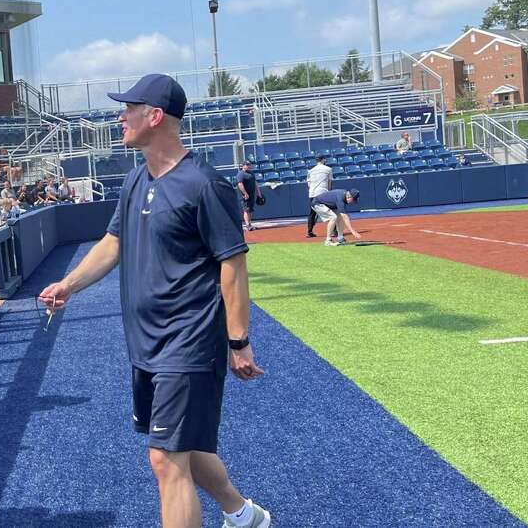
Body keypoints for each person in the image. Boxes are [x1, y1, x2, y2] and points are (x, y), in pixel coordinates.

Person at [38, 74, 270, 528]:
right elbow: (112, 243)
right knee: (187, 449)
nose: (119, 116)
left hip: (189, 343)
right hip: (146, 345)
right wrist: (69, 284)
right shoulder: (135, 179)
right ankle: (243, 515)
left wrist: (238, 340)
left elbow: (233, 265)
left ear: (155, 116)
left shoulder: (204, 184)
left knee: (165, 459)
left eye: (128, 108)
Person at [305, 156, 333, 238]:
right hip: (323, 193)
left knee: (312, 213)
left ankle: (309, 232)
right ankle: (334, 231)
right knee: (331, 211)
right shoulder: (328, 169)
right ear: (323, 160)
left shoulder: (310, 171)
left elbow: (309, 184)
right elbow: (329, 183)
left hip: (312, 193)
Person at [234, 162, 262, 231]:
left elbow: (255, 183)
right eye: (246, 165)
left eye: (249, 165)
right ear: (243, 166)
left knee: (250, 210)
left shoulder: (251, 173)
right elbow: (240, 184)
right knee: (246, 210)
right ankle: (247, 225)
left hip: (252, 194)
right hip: (245, 195)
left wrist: (259, 193)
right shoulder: (241, 174)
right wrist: (245, 193)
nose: (248, 166)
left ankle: (250, 224)